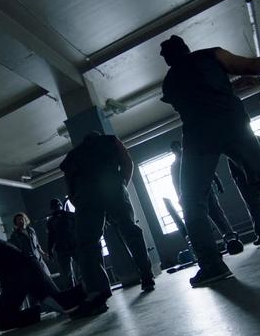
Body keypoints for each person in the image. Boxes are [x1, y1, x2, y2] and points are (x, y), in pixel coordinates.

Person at [159, 33, 260, 287]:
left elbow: (196, 96)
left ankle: (212, 266)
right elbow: (256, 66)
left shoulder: (169, 83)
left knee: (193, 201)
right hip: (233, 123)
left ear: (168, 60)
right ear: (187, 48)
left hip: (199, 135)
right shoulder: (210, 54)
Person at [60, 132, 156, 316]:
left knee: (88, 244)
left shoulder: (73, 155)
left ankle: (98, 293)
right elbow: (127, 163)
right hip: (112, 187)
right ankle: (146, 275)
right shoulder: (111, 140)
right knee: (130, 231)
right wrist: (122, 186)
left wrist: (77, 200)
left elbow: (68, 184)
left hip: (86, 195)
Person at [0, 239, 87, 330]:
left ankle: (34, 313)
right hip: (31, 265)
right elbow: (9, 258)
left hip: (17, 276)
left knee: (2, 321)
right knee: (56, 297)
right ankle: (86, 288)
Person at [170, 140, 246, 253]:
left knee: (217, 215)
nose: (176, 150)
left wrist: (218, 183)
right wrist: (180, 198)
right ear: (172, 151)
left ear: (180, 146)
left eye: (177, 147)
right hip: (190, 197)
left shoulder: (191, 157)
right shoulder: (175, 166)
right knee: (200, 221)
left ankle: (231, 239)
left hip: (205, 191)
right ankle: (210, 248)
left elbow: (207, 170)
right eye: (174, 149)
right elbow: (176, 183)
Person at [226, 138, 260, 246]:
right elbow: (233, 169)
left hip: (257, 176)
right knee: (255, 207)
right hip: (246, 181)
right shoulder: (231, 148)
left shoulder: (254, 141)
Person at [46, 198, 80, 288]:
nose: (57, 208)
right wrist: (50, 250)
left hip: (74, 246)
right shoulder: (51, 221)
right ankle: (73, 293)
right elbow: (51, 237)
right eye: (55, 207)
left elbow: (78, 229)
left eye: (57, 206)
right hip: (62, 249)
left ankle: (87, 289)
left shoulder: (70, 216)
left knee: (82, 268)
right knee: (67, 274)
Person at [8, 212, 52, 277]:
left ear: (25, 220)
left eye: (22, 219)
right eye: (18, 220)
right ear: (16, 223)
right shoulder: (14, 236)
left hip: (38, 259)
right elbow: (16, 250)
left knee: (48, 277)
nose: (21, 221)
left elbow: (37, 245)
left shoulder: (31, 230)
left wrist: (43, 254)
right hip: (28, 262)